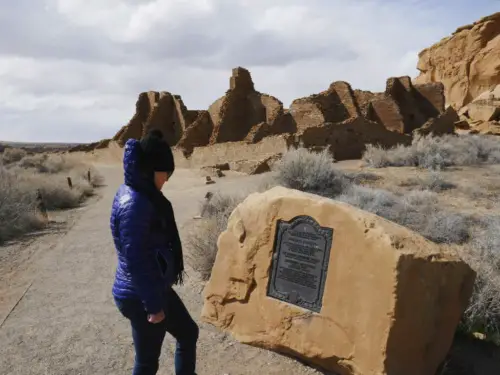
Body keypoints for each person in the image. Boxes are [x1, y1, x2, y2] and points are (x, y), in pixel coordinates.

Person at [110, 130, 198, 375]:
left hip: (152, 286)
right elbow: (136, 259)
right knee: (147, 362)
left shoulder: (140, 194)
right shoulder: (136, 204)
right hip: (141, 295)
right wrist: (153, 307)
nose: (167, 179)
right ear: (150, 170)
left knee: (188, 332)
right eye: (165, 173)